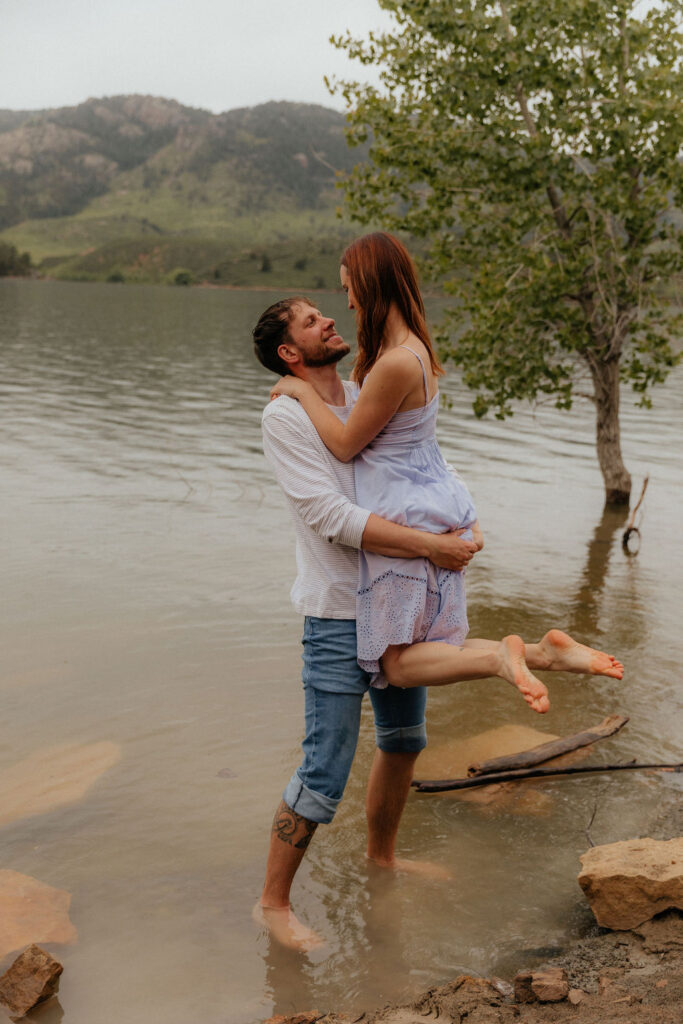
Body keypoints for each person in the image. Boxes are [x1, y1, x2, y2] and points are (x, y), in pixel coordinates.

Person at [252, 289, 622, 953]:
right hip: (339, 610)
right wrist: (431, 545)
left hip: (400, 596)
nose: (329, 318)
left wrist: (466, 519)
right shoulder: (286, 415)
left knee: (403, 741)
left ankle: (382, 861)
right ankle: (272, 904)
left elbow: (423, 459)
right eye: (311, 320)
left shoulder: (364, 387)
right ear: (289, 352)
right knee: (324, 768)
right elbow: (329, 520)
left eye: (325, 308)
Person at [271, 233, 624, 711]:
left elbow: (345, 444)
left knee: (396, 665)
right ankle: (542, 653)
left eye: (350, 288)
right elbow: (424, 449)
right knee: (427, 650)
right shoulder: (408, 351)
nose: (349, 302)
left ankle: (503, 658)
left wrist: (300, 391)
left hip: (404, 511)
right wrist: (468, 516)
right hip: (430, 502)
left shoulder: (395, 362)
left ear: (372, 285)